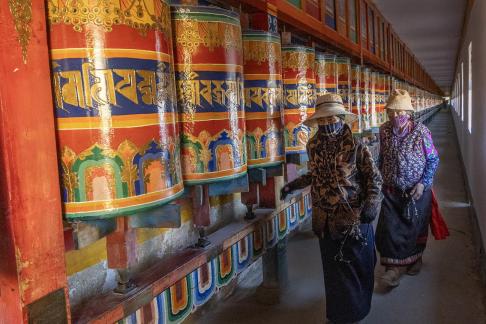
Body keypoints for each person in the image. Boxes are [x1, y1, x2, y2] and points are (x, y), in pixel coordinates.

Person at [281, 93, 383, 324]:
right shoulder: (314, 145)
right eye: (323, 120)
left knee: (356, 266)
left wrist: (371, 205)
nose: (327, 124)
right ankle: (339, 315)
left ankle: (356, 312)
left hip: (353, 217)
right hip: (325, 219)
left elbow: (374, 178)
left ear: (340, 117)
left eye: (331, 119)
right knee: (334, 271)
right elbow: (315, 174)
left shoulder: (356, 146)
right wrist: (293, 185)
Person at [376, 89, 440, 288]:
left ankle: (414, 259)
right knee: (390, 229)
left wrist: (423, 183)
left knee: (413, 228)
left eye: (401, 112)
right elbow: (381, 158)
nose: (396, 116)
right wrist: (377, 181)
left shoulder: (421, 132)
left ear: (409, 113)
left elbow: (433, 159)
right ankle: (393, 270)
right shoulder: (384, 130)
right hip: (391, 190)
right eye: (392, 112)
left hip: (416, 192)